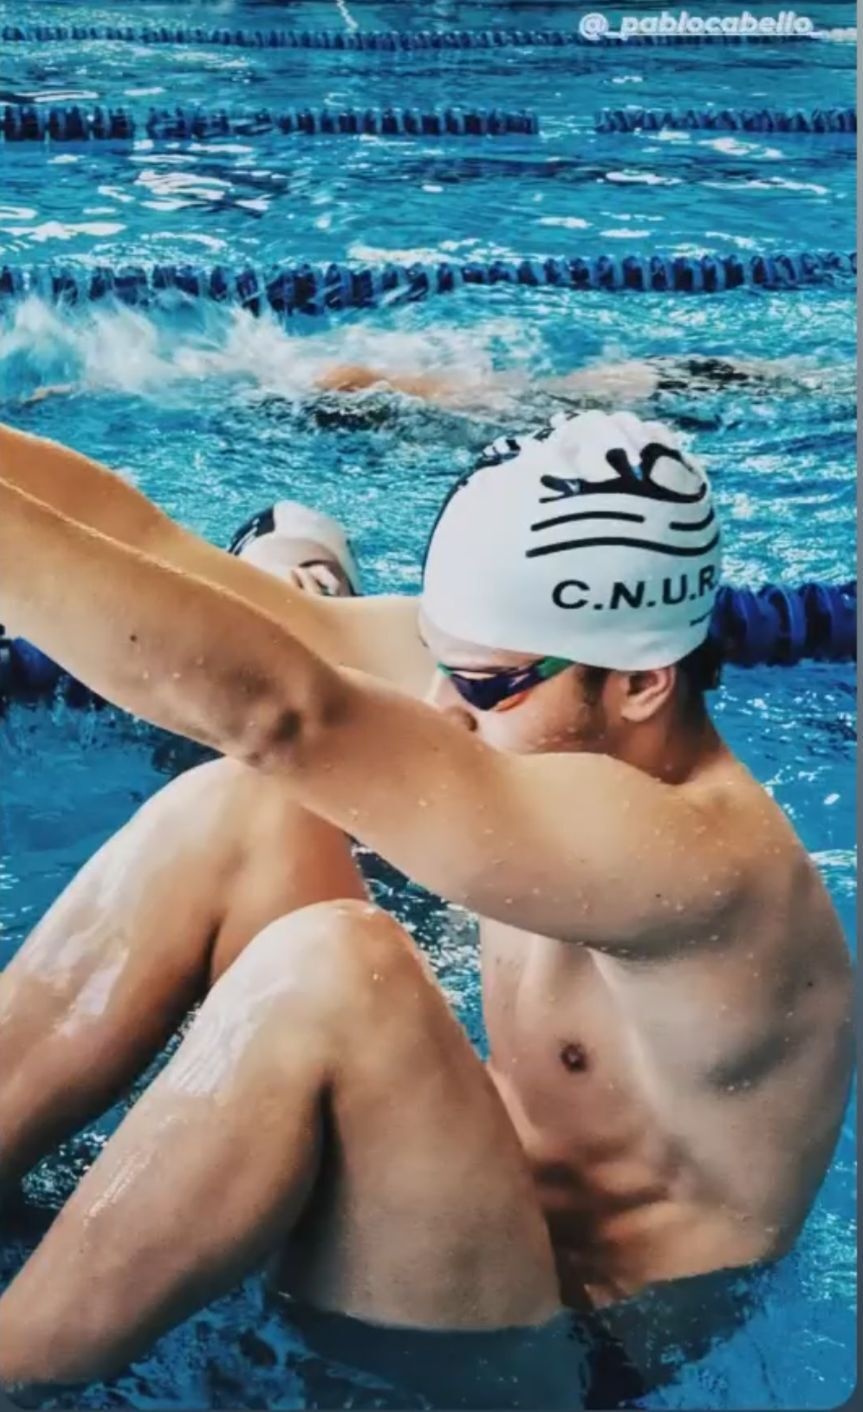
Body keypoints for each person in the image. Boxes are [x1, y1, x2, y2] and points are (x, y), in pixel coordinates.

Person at [0, 408, 853, 1396]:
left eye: (481, 684)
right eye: (440, 661)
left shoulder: (701, 859)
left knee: (337, 972)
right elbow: (157, 549)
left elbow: (279, 712)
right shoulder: (530, 681)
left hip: (554, 1355)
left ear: (640, 684)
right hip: (450, 1217)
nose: (443, 706)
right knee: (246, 807)